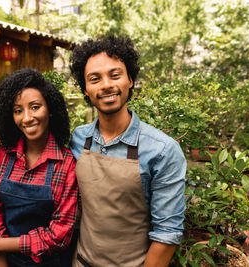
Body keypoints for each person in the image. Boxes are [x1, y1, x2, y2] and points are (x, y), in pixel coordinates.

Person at [69, 35, 186, 267]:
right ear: (85, 90)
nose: (106, 85)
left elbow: (167, 233)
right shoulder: (78, 138)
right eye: (94, 79)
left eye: (115, 75)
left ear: (130, 80)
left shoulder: (162, 150)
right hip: (80, 261)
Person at [0, 68, 78, 267]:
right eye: (18, 110)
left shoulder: (66, 163)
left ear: (50, 109)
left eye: (35, 107)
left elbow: (60, 235)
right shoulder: (1, 154)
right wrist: (0, 260)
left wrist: (0, 244)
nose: (26, 118)